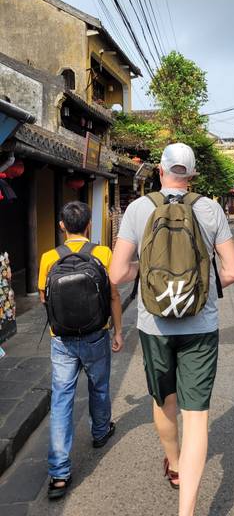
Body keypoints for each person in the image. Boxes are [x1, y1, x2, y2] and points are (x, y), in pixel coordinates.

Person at [109, 143, 234, 516]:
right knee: (196, 415)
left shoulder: (138, 209)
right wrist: (198, 289)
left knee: (163, 401)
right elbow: (231, 272)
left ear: (160, 171)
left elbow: (117, 274)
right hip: (201, 324)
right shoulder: (210, 209)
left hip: (154, 325)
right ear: (192, 175)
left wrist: (147, 275)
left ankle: (176, 465)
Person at [38, 201, 123, 500]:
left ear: (62, 225)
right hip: (96, 335)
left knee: (61, 399)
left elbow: (43, 299)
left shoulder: (49, 257)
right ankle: (100, 433)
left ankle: (59, 474)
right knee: (99, 387)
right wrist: (119, 331)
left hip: (60, 339)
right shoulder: (103, 253)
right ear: (89, 224)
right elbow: (113, 295)